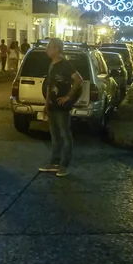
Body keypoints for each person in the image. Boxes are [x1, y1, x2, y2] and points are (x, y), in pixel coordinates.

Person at [39, 38, 83, 177]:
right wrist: (46, 104)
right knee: (55, 135)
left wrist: (68, 96)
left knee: (65, 135)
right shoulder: (51, 63)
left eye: (49, 47)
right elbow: (49, 86)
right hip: (52, 105)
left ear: (57, 49)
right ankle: (54, 163)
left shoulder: (66, 64)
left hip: (62, 107)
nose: (47, 50)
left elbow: (78, 80)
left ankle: (64, 165)